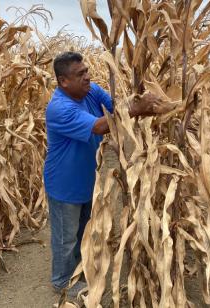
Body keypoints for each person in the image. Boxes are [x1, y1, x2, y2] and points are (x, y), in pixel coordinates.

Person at [44, 51, 166, 297]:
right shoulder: (59, 108)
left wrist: (147, 106)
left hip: (88, 178)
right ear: (63, 81)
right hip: (64, 184)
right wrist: (136, 109)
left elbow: (118, 107)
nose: (88, 77)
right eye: (80, 74)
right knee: (65, 238)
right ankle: (61, 281)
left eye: (87, 71)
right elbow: (101, 125)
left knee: (83, 230)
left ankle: (78, 269)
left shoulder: (90, 91)